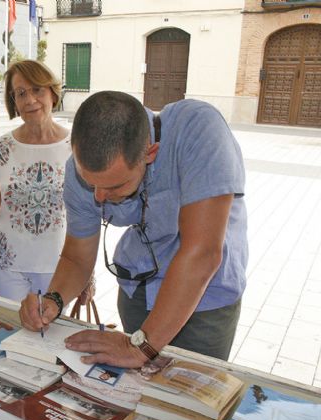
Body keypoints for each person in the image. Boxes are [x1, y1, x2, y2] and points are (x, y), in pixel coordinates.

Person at [19, 91, 247, 367]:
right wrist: (53, 300)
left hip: (204, 300)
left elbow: (202, 254)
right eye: (91, 185)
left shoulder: (199, 129)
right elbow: (77, 257)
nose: (99, 197)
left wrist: (139, 347)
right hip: (139, 287)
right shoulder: (78, 170)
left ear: (150, 154)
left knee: (187, 397)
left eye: (115, 186)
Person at [0, 60, 94, 302]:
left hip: (60, 264)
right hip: (6, 265)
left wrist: (87, 274)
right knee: (9, 335)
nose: (30, 100)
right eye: (21, 93)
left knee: (51, 338)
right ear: (14, 102)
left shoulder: (77, 147)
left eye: (37, 90)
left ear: (52, 92)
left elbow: (88, 214)